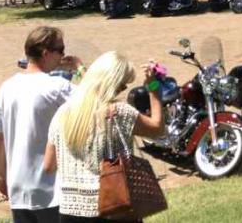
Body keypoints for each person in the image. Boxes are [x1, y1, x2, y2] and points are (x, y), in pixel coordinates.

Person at [44, 51, 164, 222]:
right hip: (113, 205)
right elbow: (157, 129)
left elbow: (49, 166)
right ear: (112, 84)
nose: (122, 90)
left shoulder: (62, 114)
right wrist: (154, 89)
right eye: (122, 85)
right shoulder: (118, 112)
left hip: (70, 212)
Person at [0, 27, 75, 223]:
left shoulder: (7, 87)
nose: (63, 55)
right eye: (60, 50)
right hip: (53, 189)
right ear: (45, 53)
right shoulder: (59, 87)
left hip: (18, 188)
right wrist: (80, 67)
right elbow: (94, 103)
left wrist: (3, 177)